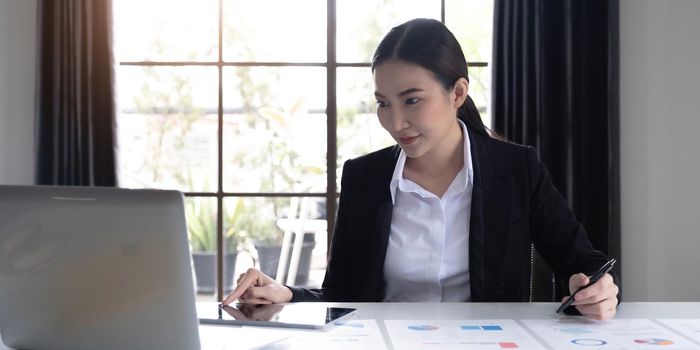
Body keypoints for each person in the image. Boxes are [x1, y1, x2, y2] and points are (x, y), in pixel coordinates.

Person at [223, 18, 620, 320]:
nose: (396, 123)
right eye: (383, 103)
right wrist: (287, 294)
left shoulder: (516, 170)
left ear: (457, 93)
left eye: (412, 100)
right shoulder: (365, 179)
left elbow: (582, 262)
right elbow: (342, 294)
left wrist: (595, 290)